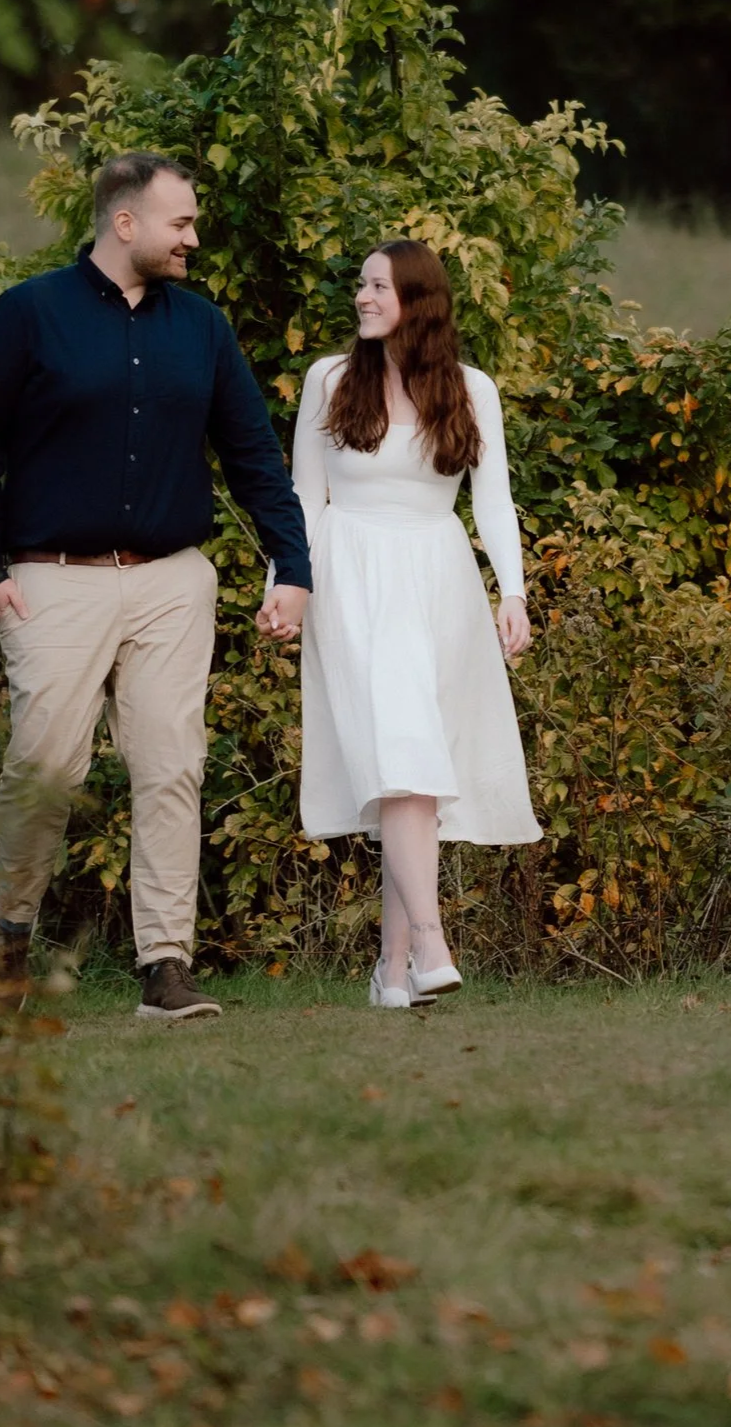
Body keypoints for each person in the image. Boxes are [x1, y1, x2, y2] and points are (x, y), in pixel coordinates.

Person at [0, 151, 312, 1022]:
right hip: (50, 582)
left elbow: (254, 454)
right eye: (180, 223)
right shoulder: (28, 315)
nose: (193, 237)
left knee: (172, 767)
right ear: (126, 223)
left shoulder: (202, 328)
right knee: (45, 767)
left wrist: (292, 567)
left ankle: (165, 968)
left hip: (170, 584)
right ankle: (8, 941)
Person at [288, 239, 540, 1012]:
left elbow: (490, 500)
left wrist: (513, 590)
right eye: (360, 284)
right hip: (352, 573)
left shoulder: (472, 389)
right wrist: (285, 584)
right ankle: (430, 939)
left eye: (377, 287)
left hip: (438, 577)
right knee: (402, 752)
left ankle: (393, 969)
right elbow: (303, 496)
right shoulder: (329, 379)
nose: (362, 297)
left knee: (417, 769)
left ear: (417, 300)